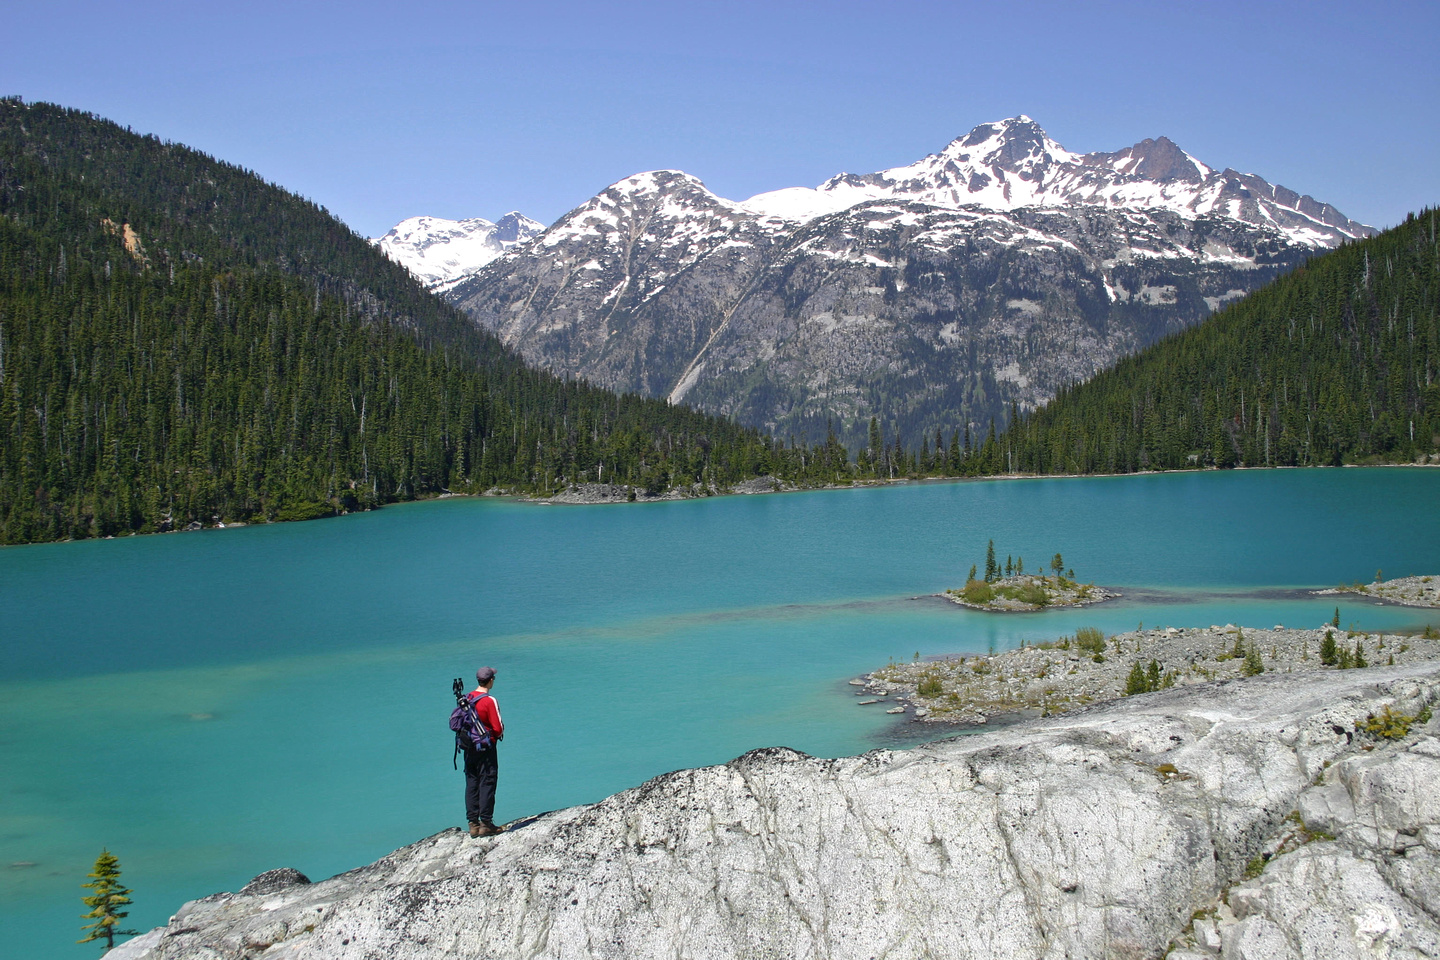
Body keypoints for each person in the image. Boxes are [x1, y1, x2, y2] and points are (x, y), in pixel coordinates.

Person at [462, 666, 504, 837]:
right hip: (486, 748)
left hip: (468, 747)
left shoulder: (467, 698)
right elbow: (498, 728)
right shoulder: (489, 700)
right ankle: (486, 823)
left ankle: (472, 824)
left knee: (472, 782)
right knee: (487, 781)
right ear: (491, 680)